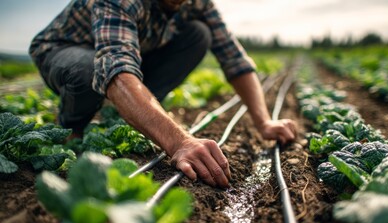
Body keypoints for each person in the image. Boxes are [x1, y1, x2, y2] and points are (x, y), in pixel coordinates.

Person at [29, 0, 297, 188]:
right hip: (63, 50)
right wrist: (180, 142)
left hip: (131, 54)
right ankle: (71, 126)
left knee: (199, 34)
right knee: (89, 71)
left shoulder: (197, 2)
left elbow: (234, 59)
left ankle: (134, 111)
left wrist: (263, 121)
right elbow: (116, 73)